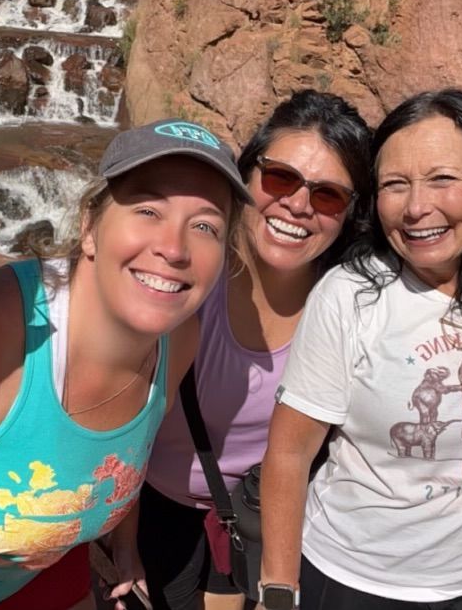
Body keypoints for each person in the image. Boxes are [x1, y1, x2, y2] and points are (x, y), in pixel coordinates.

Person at [0, 119, 252, 610]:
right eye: (148, 209)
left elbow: (127, 454)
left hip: (34, 584)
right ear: (89, 228)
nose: (173, 248)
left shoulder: (179, 337)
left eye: (205, 226)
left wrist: (126, 547)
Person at [257, 89, 462, 610]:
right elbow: (289, 453)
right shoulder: (350, 295)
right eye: (395, 184)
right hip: (346, 578)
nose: (417, 207)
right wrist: (279, 592)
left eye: (443, 178)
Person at [136, 91, 374, 610]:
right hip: (155, 505)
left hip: (265, 512)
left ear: (351, 214)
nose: (298, 205)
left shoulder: (352, 306)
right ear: (246, 175)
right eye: (280, 178)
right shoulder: (186, 276)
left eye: (328, 194)